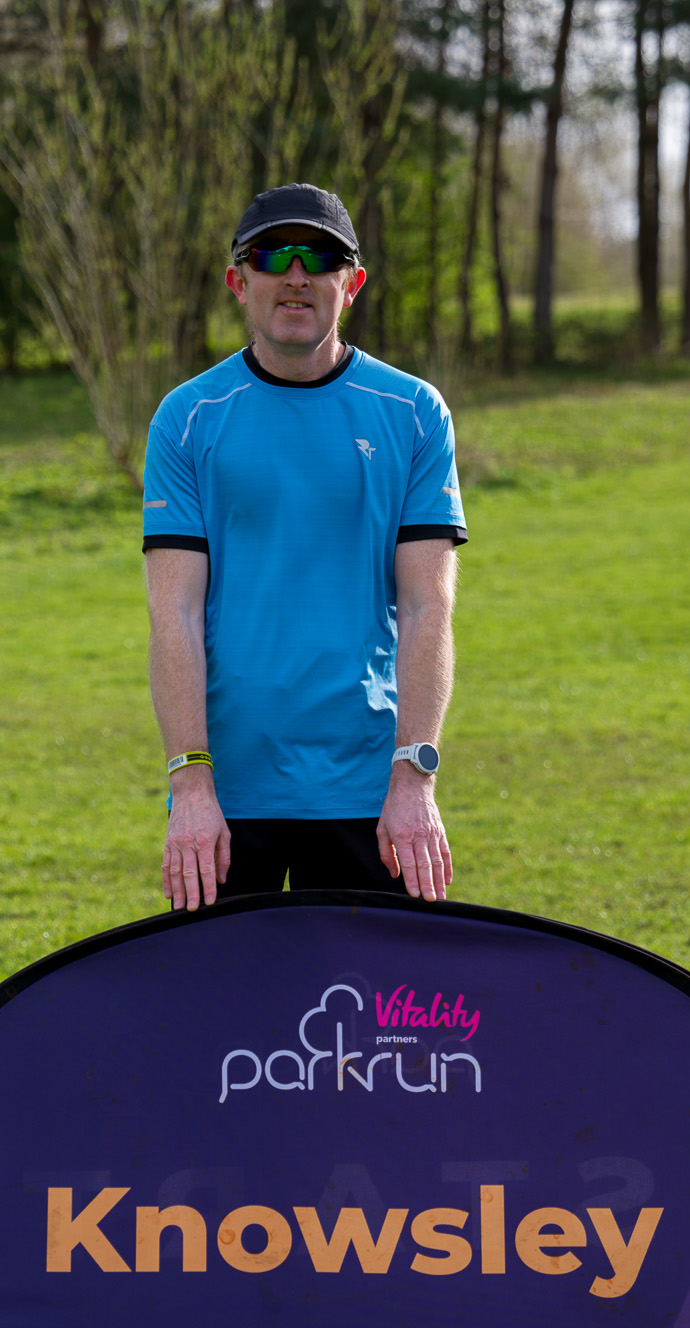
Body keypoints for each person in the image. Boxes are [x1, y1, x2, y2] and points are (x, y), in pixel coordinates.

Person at [142, 183, 466, 911]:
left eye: (320, 255)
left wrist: (414, 779)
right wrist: (190, 784)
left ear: (350, 283)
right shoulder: (187, 418)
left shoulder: (413, 412)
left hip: (370, 793)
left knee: (383, 1022)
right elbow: (175, 616)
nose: (296, 273)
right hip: (229, 796)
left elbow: (428, 608)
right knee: (224, 1018)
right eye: (272, 254)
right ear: (238, 280)